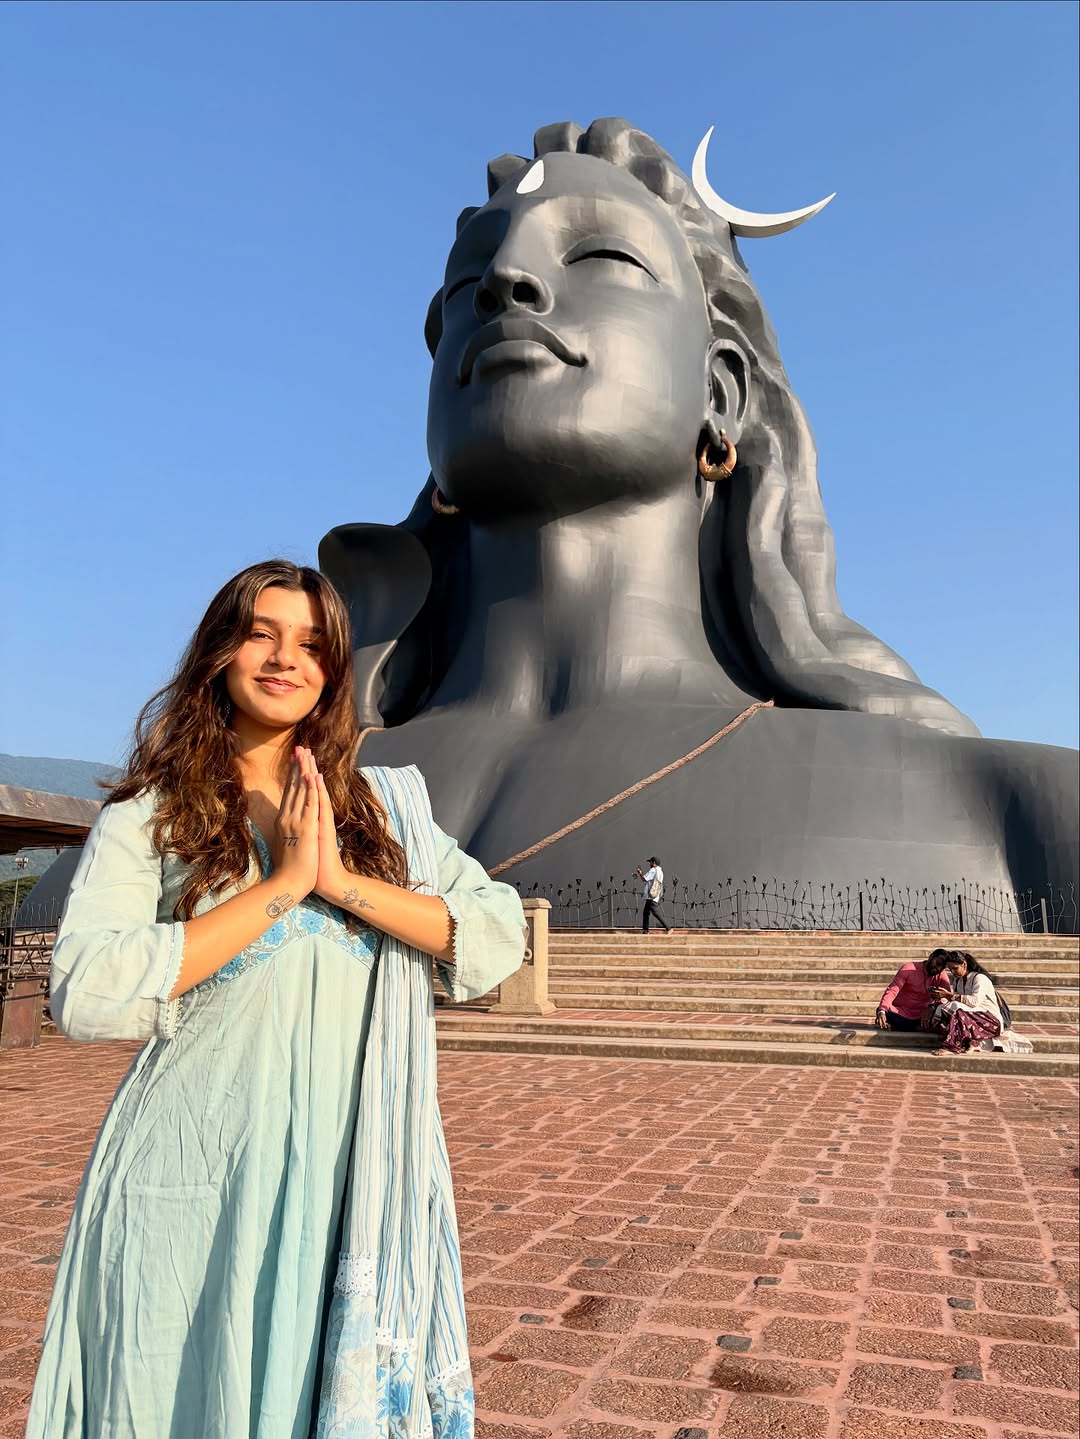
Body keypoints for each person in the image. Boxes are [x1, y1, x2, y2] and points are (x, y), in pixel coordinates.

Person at [321, 117, 1077, 905]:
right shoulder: (280, 779)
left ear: (720, 393)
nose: (505, 280)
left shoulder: (1012, 814)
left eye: (601, 256)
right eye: (465, 280)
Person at [27, 560, 527, 1439]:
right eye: (261, 633)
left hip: (352, 1177)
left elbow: (493, 933)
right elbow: (87, 986)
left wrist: (339, 881)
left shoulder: (383, 811)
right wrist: (282, 886)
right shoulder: (156, 813)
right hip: (196, 1176)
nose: (284, 657)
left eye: (311, 643)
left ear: (333, 669)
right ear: (220, 650)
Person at [930, 949, 1031, 1056]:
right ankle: (971, 1042)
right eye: (950, 970)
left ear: (964, 964)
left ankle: (953, 1046)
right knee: (941, 1010)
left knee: (958, 1013)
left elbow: (974, 1002)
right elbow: (958, 1002)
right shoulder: (958, 981)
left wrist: (950, 996)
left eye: (955, 968)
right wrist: (941, 998)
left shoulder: (979, 978)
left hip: (990, 1021)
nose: (953, 972)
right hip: (972, 1017)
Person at [875, 948, 953, 1031]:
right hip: (901, 1012)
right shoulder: (909, 968)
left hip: (924, 1015)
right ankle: (916, 1027)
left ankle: (909, 1027)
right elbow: (892, 990)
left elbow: (947, 998)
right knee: (884, 1010)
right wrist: (882, 1010)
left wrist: (932, 1007)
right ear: (931, 957)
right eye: (937, 963)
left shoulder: (941, 975)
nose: (938, 968)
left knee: (944, 1014)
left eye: (942, 967)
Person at [635, 856, 671, 933]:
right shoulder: (660, 871)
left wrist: (640, 873)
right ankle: (645, 930)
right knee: (646, 912)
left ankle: (668, 928)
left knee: (655, 912)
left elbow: (644, 879)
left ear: (654, 863)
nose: (649, 864)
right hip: (655, 894)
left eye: (650, 862)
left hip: (651, 895)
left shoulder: (653, 870)